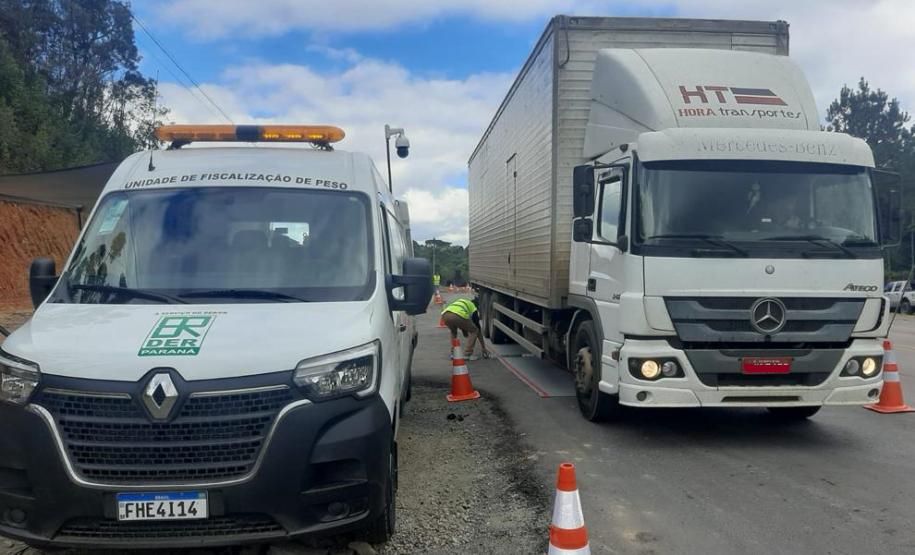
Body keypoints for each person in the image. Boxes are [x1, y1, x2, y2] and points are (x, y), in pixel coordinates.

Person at [441, 296, 490, 360]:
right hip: (457, 315)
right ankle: (467, 354)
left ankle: (453, 354)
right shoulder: (473, 308)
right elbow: (478, 329)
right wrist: (483, 347)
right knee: (475, 331)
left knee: (453, 332)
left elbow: (463, 325)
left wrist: (465, 332)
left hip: (445, 315)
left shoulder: (463, 302)